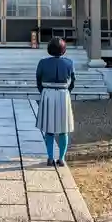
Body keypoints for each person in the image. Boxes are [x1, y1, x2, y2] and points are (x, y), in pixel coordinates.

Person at [35, 37, 75, 167]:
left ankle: (50, 158)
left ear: (49, 49)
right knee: (64, 129)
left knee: (49, 128)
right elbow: (72, 81)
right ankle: (62, 158)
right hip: (64, 94)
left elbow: (38, 80)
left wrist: (44, 91)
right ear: (64, 50)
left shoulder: (42, 63)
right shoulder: (69, 63)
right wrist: (67, 91)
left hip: (47, 93)